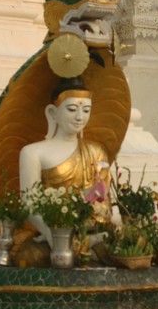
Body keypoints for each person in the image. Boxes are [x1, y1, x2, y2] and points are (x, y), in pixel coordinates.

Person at [18, 76, 111, 250]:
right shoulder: (32, 152)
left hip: (90, 232)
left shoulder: (96, 152)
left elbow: (104, 203)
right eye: (72, 109)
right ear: (53, 113)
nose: (79, 117)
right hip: (52, 233)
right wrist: (51, 234)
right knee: (32, 256)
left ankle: (86, 244)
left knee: (114, 248)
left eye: (86, 110)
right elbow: (28, 206)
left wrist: (94, 213)